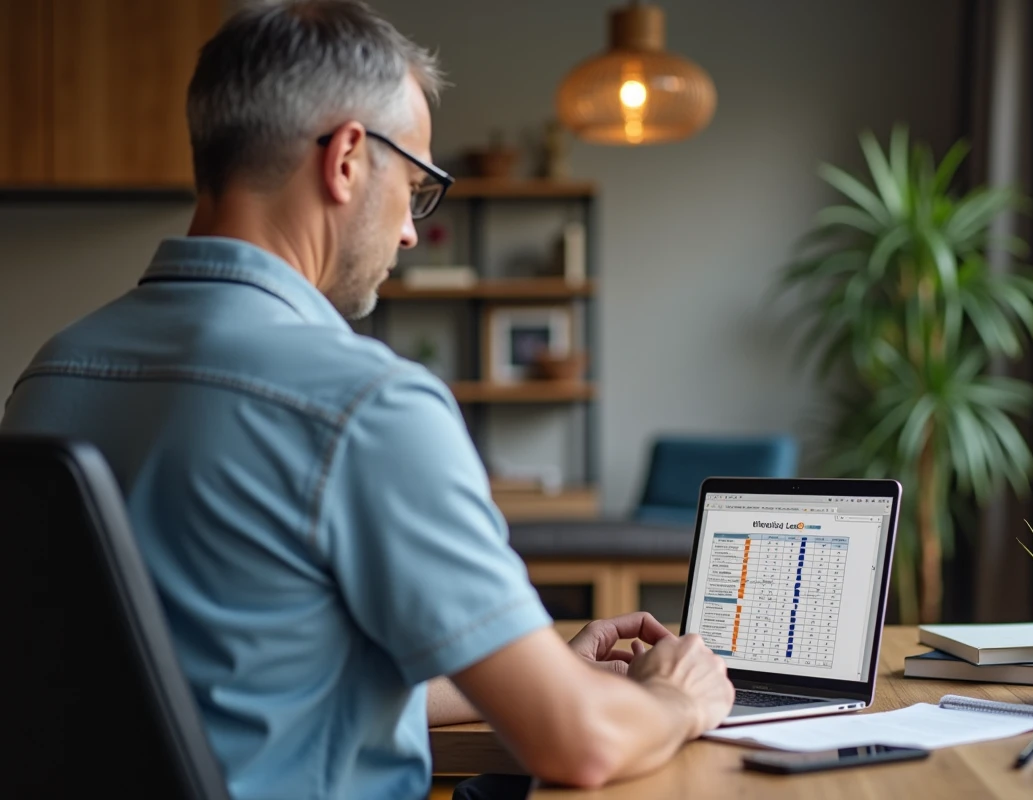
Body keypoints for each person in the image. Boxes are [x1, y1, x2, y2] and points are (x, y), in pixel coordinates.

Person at [0, 1, 733, 798]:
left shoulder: (53, 375)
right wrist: (674, 696)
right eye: (416, 184)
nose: (413, 232)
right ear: (348, 157)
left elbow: (232, 702)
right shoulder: (365, 404)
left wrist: (544, 669)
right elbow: (580, 747)